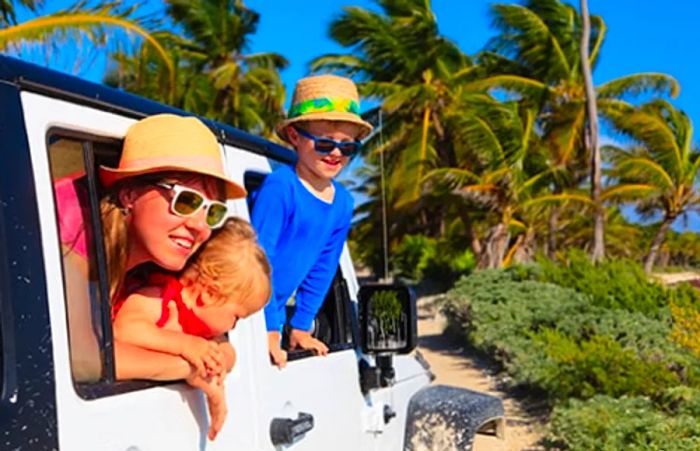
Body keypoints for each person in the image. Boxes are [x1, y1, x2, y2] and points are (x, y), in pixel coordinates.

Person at [56, 113, 247, 437]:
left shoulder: (163, 255)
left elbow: (223, 346)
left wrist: (206, 355)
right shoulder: (71, 223)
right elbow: (85, 361)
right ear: (129, 195)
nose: (201, 227)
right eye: (186, 201)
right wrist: (190, 366)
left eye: (212, 211)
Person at [251, 74, 372, 367]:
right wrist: (265, 327)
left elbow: (324, 266)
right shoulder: (281, 188)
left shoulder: (343, 202)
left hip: (276, 317)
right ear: (295, 137)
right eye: (324, 143)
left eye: (347, 147)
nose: (335, 153)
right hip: (247, 315)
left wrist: (302, 325)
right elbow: (256, 260)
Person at [112, 218, 271, 440]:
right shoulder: (161, 298)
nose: (233, 326)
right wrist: (185, 345)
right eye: (236, 317)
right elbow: (125, 329)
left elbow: (229, 353)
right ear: (210, 294)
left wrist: (214, 365)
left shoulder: (202, 325)